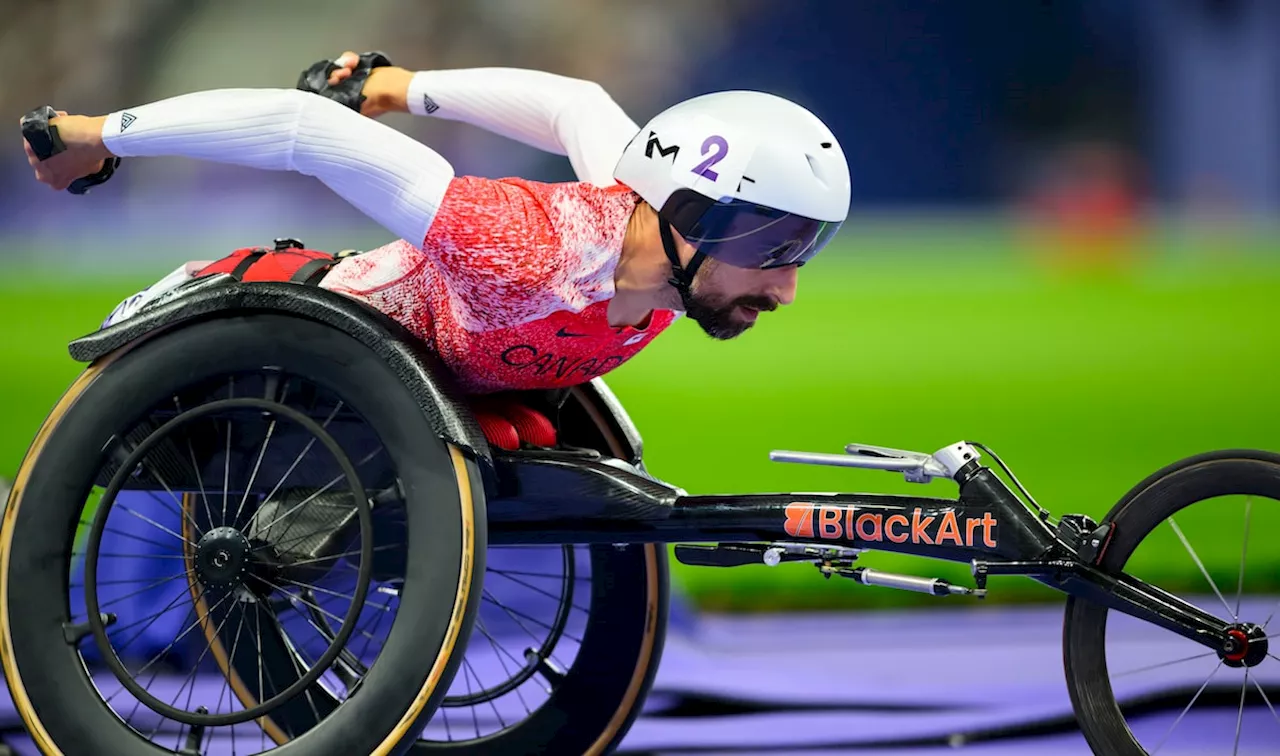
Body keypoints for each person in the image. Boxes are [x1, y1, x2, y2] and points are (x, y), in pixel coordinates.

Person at [22, 51, 850, 396]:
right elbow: (306, 129)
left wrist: (400, 82)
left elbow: (577, 107)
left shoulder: (654, 239)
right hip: (256, 358)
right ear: (690, 216)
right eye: (775, 247)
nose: (787, 287)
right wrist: (98, 136)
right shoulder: (520, 248)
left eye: (803, 249)